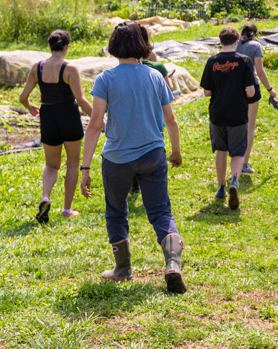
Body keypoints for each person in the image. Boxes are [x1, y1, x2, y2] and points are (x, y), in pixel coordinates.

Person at [78, 21, 186, 293]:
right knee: (160, 211)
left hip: (117, 159)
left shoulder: (106, 79)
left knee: (116, 212)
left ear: (114, 46)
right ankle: (173, 263)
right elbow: (170, 119)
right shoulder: (155, 77)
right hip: (153, 153)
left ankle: (122, 268)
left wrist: (85, 167)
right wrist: (175, 151)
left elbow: (93, 125)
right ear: (143, 45)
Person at [18, 29, 93, 223]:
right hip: (68, 114)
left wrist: (30, 106)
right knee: (73, 163)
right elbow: (82, 100)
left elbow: (23, 97)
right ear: (67, 47)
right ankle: (67, 209)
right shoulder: (70, 69)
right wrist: (98, 118)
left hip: (48, 116)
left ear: (49, 46)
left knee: (51, 164)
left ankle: (46, 196)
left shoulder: (37, 67)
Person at [199, 27, 256, 210]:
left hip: (217, 113)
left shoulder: (212, 61)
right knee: (238, 151)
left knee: (221, 150)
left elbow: (207, 91)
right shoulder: (245, 61)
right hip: (238, 113)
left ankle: (221, 188)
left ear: (220, 42)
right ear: (237, 41)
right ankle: (234, 180)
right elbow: (251, 91)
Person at [236, 23, 278, 178]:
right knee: (250, 126)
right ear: (255, 33)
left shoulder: (235, 44)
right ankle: (245, 164)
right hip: (251, 86)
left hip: (235, 88)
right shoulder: (256, 46)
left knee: (237, 125)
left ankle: (235, 159)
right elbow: (260, 71)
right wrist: (270, 89)